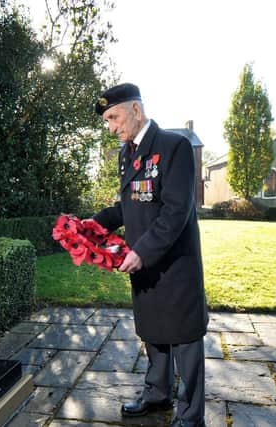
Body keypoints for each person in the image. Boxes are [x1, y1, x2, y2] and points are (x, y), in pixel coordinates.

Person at [90, 83, 208, 427]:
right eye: (107, 121)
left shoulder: (175, 146)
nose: (111, 127)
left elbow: (177, 210)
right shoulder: (128, 154)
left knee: (186, 339)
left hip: (175, 264)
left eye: (113, 117)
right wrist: (94, 223)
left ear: (136, 110)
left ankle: (190, 415)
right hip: (143, 265)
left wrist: (141, 251)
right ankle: (157, 394)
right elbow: (129, 207)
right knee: (153, 330)